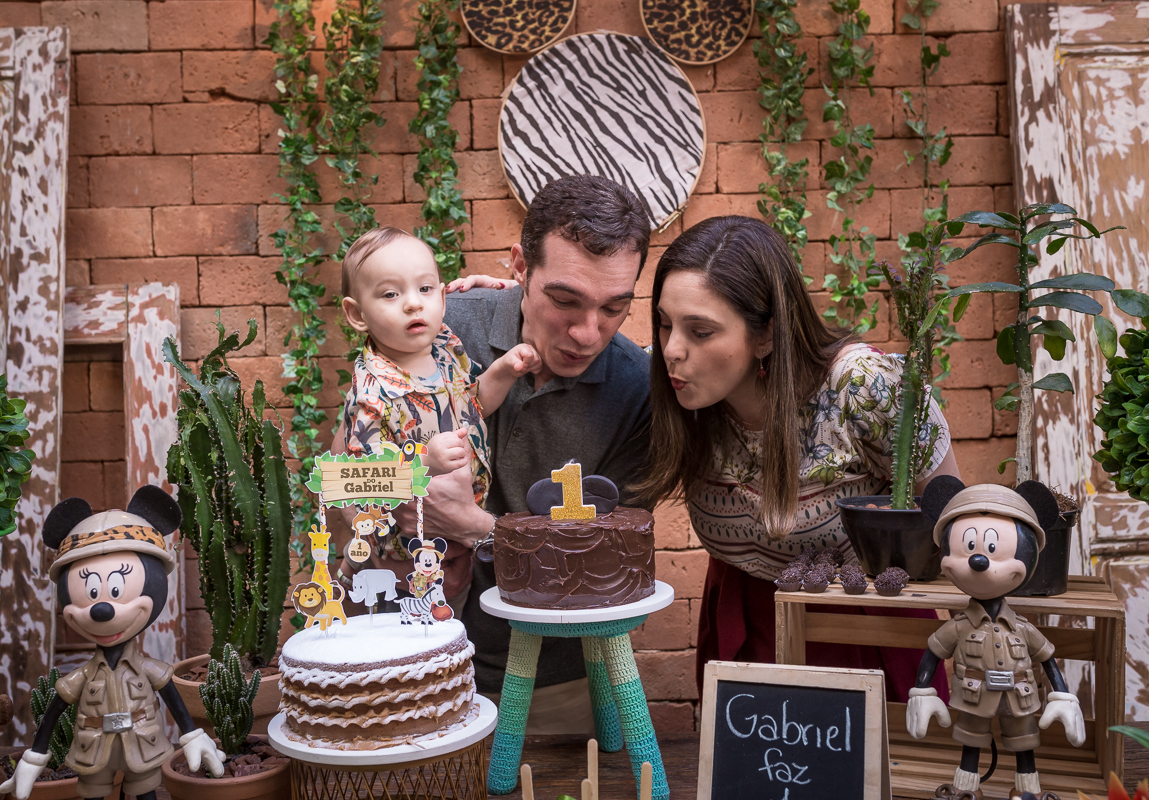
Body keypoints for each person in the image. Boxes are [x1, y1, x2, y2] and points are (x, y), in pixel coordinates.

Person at [340, 174, 654, 733]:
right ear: (519, 266)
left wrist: (478, 525)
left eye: (614, 308)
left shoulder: (638, 390)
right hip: (403, 666)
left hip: (553, 693)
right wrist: (407, 496)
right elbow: (343, 480)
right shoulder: (440, 325)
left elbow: (607, 569)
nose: (587, 333)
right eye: (564, 300)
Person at [635, 215, 959, 702]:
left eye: (700, 332)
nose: (671, 350)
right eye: (664, 324)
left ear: (765, 335)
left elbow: (955, 518)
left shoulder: (863, 386)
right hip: (741, 619)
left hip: (863, 623)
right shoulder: (678, 394)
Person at [336, 226, 540, 565]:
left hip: (461, 535)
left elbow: (475, 404)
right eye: (390, 295)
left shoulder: (446, 351)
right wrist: (422, 461)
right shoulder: (371, 394)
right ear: (358, 315)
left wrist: (503, 370)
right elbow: (362, 479)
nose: (413, 303)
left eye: (425, 288)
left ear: (443, 299)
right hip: (407, 550)